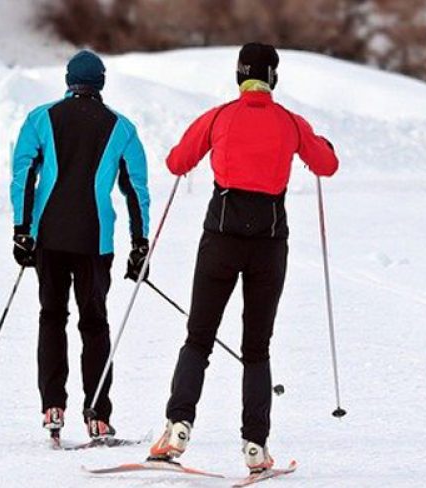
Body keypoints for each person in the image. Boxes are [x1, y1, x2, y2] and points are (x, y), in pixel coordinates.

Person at [148, 43, 339, 474]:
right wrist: (321, 143)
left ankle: (177, 427)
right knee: (257, 348)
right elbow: (326, 165)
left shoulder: (219, 117)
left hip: (220, 241)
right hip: (269, 246)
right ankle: (255, 446)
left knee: (199, 336)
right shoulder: (290, 122)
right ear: (273, 77)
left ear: (239, 76)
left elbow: (177, 162)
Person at [10, 50, 151, 441]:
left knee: (51, 317)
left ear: (69, 81)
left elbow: (24, 175)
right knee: (94, 323)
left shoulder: (40, 118)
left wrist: (22, 230)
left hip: (49, 237)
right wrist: (140, 244)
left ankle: (52, 406)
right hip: (95, 239)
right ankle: (98, 415)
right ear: (100, 83)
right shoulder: (121, 128)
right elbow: (135, 190)